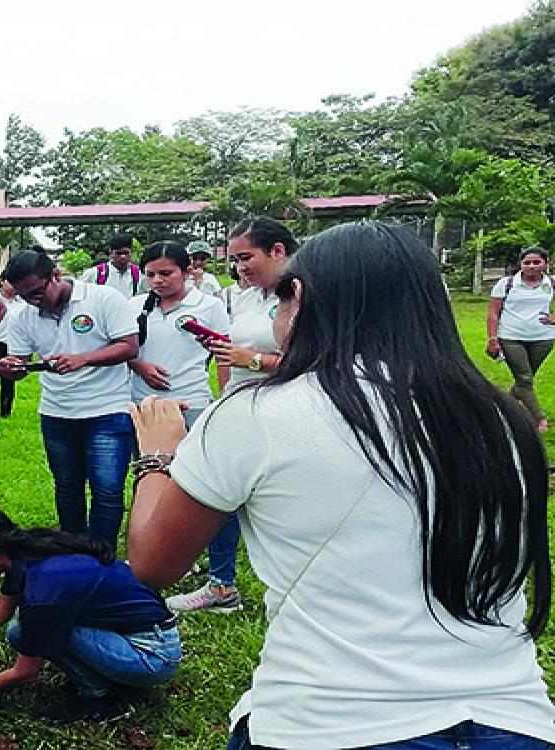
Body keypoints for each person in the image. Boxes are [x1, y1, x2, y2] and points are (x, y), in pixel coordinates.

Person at [127, 222, 555, 749]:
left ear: (300, 298)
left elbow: (152, 563)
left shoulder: (257, 414)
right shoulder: (501, 418)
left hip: (328, 720)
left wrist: (157, 456)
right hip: (514, 720)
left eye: (279, 299)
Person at [0, 503, 180, 723]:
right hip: (141, 634)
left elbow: (25, 671)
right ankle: (103, 681)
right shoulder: (25, 550)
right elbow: (1, 608)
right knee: (22, 630)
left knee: (30, 630)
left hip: (152, 655)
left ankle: (101, 699)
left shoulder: (43, 591)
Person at [168, 217, 298, 614]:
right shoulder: (245, 297)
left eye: (246, 258)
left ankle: (293, 587)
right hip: (240, 407)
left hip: (287, 410)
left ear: (278, 251)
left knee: (278, 505)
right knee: (221, 494)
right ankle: (222, 583)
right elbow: (234, 354)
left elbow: (318, 361)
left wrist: (253, 359)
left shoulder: (305, 294)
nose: (239, 267)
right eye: (235, 260)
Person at [0, 249, 139, 544]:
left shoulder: (103, 299)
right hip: (57, 412)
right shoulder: (22, 315)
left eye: (37, 292)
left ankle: (102, 553)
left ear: (56, 275)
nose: (33, 301)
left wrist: (83, 359)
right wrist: (11, 368)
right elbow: (20, 362)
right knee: (67, 486)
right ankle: (73, 549)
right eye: (24, 296)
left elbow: (128, 346)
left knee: (107, 488)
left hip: (107, 408)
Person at [128, 242, 231, 425]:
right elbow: (120, 347)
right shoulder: (134, 306)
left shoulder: (209, 306)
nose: (157, 280)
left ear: (186, 272)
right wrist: (138, 365)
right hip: (143, 403)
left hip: (191, 402)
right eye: (150, 275)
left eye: (166, 273)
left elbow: (223, 356)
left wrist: (225, 400)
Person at [487, 247, 554, 432]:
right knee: (524, 378)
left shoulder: (551, 282)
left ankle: (504, 409)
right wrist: (492, 338)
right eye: (527, 262)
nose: (531, 266)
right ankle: (539, 419)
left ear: (545, 264)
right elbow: (493, 313)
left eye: (536, 262)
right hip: (511, 337)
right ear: (520, 264)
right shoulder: (506, 283)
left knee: (523, 381)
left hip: (543, 338)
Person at [0, 276, 25, 418]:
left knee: (8, 380)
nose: (12, 285)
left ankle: (5, 412)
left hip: (11, 345)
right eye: (9, 281)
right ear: (2, 282)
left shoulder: (22, 302)